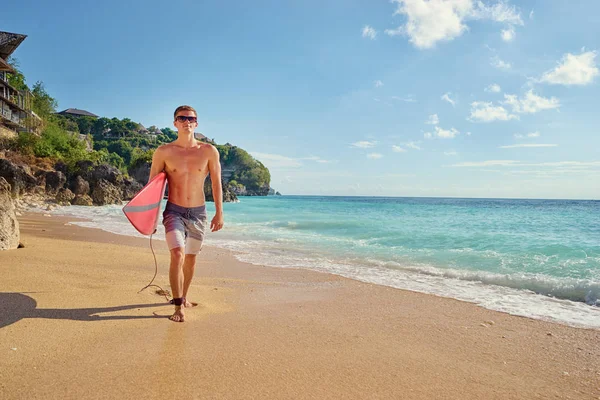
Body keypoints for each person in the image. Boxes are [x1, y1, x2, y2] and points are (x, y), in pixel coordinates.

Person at [148, 105, 224, 322]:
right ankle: (178, 305)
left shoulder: (209, 151)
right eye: (181, 118)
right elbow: (151, 186)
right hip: (174, 211)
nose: (186, 121)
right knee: (177, 254)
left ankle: (185, 295)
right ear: (175, 123)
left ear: (196, 123)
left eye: (191, 118)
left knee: (190, 258)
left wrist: (220, 212)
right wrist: (150, 217)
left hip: (199, 213)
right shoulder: (164, 152)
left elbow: (217, 184)